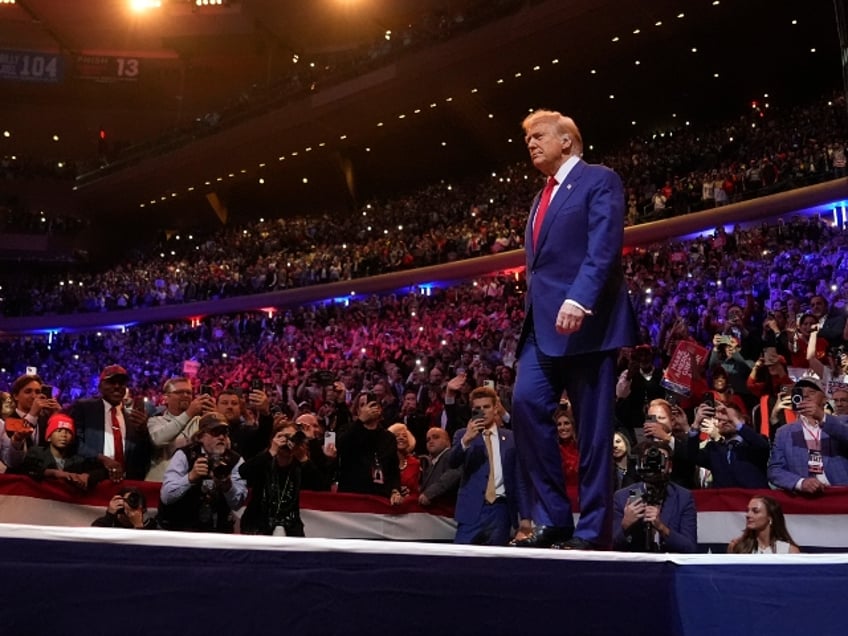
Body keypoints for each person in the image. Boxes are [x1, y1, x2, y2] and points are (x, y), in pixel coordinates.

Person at [511, 110, 638, 550]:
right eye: (527, 137)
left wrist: (580, 297)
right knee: (525, 404)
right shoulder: (540, 196)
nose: (530, 143)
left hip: (588, 325)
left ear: (567, 141)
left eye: (538, 135)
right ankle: (554, 518)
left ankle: (593, 531)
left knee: (593, 434)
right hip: (541, 328)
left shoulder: (599, 179)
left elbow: (604, 244)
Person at [449, 386, 522, 546]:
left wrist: (525, 519)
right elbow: (452, 462)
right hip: (472, 509)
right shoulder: (462, 435)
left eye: (486, 407)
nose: (483, 411)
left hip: (500, 511)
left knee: (495, 564)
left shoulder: (511, 438)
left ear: (496, 408)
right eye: (477, 409)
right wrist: (466, 440)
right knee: (460, 560)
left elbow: (519, 480)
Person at [158, 412, 247, 533]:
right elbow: (166, 496)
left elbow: (237, 504)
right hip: (183, 529)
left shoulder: (236, 460)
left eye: (224, 433)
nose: (221, 437)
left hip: (219, 530)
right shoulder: (184, 455)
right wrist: (190, 478)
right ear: (201, 436)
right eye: (215, 432)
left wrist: (228, 487)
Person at [69, 365, 152, 482]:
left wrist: (143, 432)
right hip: (91, 481)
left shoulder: (132, 418)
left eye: (121, 383)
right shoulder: (84, 408)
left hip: (125, 484)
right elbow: (74, 443)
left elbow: (142, 456)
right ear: (100, 386)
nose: (117, 386)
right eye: (111, 382)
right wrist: (102, 459)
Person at [612, 441, 698, 553]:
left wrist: (662, 528)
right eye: (648, 459)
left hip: (668, 565)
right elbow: (612, 545)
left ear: (670, 466)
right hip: (636, 565)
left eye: (660, 459)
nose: (654, 463)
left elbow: (690, 548)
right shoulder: (624, 496)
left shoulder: (683, 497)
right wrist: (625, 526)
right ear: (641, 463)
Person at [767, 377, 848, 492]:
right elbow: (774, 470)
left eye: (812, 392)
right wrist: (800, 482)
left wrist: (822, 417)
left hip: (841, 495)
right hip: (805, 500)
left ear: (824, 399)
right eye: (800, 392)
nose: (805, 396)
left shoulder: (842, 421)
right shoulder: (784, 432)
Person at [238, 420, 309, 536]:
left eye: (291, 438)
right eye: (282, 436)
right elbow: (243, 472)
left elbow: (321, 485)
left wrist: (303, 458)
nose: (287, 441)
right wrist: (271, 451)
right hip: (257, 525)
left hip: (290, 526)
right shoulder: (264, 461)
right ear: (273, 440)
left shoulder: (299, 466)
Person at [335, 391, 402, 504]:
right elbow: (341, 447)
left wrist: (395, 490)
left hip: (379, 498)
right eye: (362, 405)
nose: (367, 409)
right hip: (352, 498)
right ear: (357, 411)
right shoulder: (347, 430)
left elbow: (393, 470)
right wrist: (361, 421)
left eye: (371, 405)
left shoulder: (388, 437)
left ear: (379, 409)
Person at [146, 377, 215, 481]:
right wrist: (189, 413)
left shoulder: (200, 422)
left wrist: (215, 416)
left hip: (192, 484)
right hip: (161, 483)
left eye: (188, 392)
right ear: (166, 397)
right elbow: (158, 440)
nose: (186, 396)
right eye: (180, 392)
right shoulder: (155, 421)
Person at [21, 412, 106, 490]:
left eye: (68, 432)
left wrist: (87, 476)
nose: (63, 435)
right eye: (59, 431)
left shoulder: (78, 460)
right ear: (49, 437)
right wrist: (53, 473)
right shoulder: (36, 453)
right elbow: (26, 470)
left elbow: (102, 471)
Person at [727, 496, 801, 554]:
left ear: (770, 517)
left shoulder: (789, 551)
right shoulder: (736, 547)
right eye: (747, 510)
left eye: (755, 511)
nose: (748, 515)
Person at [417, 427, 460, 507]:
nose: (431, 441)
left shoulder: (450, 455)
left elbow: (452, 475)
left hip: (446, 510)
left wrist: (429, 494)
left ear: (448, 441)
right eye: (428, 440)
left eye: (436, 437)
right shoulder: (433, 462)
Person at [91, 487, 158, 529]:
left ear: (143, 508)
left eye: (136, 501)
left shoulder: (151, 526)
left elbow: (148, 550)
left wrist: (138, 526)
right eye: (130, 500)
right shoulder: (106, 522)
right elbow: (93, 539)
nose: (133, 503)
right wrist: (109, 515)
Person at [387, 422, 421, 498]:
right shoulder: (384, 461)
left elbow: (416, 490)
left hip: (409, 503)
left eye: (405, 436)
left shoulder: (415, 463)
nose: (401, 438)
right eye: (397, 436)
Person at [555, 407, 579, 485]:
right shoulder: (554, 450)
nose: (563, 428)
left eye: (566, 423)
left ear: (573, 426)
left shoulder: (581, 448)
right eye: (559, 424)